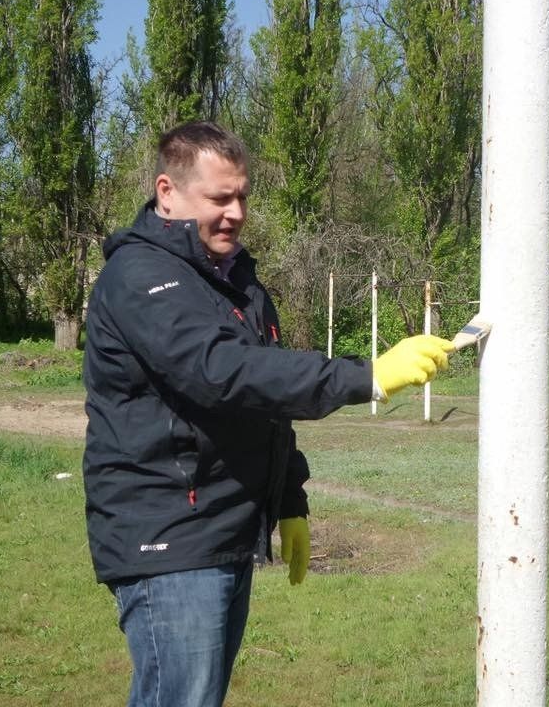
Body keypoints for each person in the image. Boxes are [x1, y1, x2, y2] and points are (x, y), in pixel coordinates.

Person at [82, 120, 454, 707]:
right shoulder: (142, 277)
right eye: (219, 198)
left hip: (223, 532)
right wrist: (366, 377)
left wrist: (289, 502)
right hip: (167, 539)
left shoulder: (236, 282)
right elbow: (223, 372)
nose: (235, 212)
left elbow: (263, 403)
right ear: (167, 192)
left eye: (242, 196)